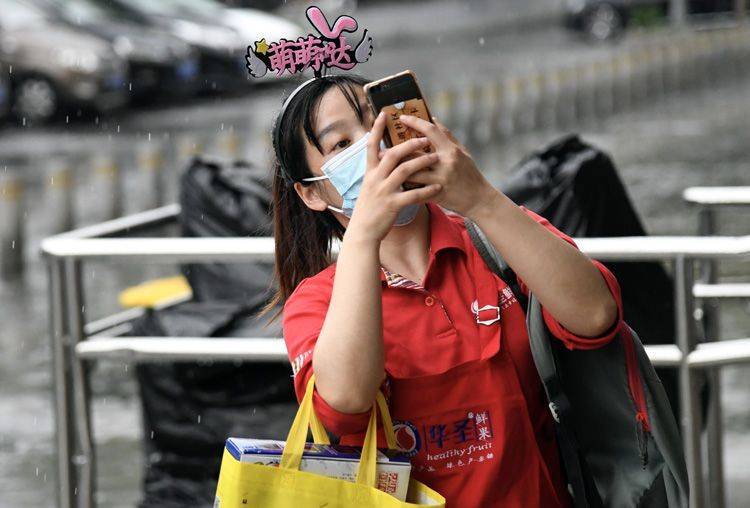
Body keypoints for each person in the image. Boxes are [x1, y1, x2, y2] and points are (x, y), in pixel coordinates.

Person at [260, 74, 623, 507]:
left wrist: (481, 198)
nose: (375, 144)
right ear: (313, 193)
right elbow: (346, 401)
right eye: (342, 144)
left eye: (377, 119)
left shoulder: (495, 241)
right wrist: (362, 237)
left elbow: (596, 315)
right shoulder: (317, 302)